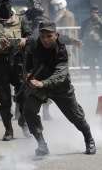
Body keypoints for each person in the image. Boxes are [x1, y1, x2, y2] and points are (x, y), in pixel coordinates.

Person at [23, 21, 96, 156]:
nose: (45, 39)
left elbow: (60, 74)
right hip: (40, 83)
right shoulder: (33, 42)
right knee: (28, 110)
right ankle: (42, 145)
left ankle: (89, 139)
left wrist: (43, 83)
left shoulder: (61, 49)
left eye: (49, 36)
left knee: (76, 117)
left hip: (60, 86)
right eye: (42, 36)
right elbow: (27, 61)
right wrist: (27, 75)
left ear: (56, 35)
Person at [0, 0, 32, 141]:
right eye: (2, 2)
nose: (6, 4)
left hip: (18, 62)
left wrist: (25, 40)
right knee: (4, 100)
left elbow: (32, 35)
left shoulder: (21, 19)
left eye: (8, 1)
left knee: (24, 96)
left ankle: (24, 121)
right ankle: (8, 130)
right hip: (0, 64)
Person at [81, 4, 102, 90]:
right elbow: (81, 35)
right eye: (93, 12)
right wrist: (87, 37)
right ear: (90, 13)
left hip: (99, 47)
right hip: (90, 48)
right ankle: (94, 86)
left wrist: (99, 21)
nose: (94, 14)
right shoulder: (85, 22)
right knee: (92, 68)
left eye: (96, 12)